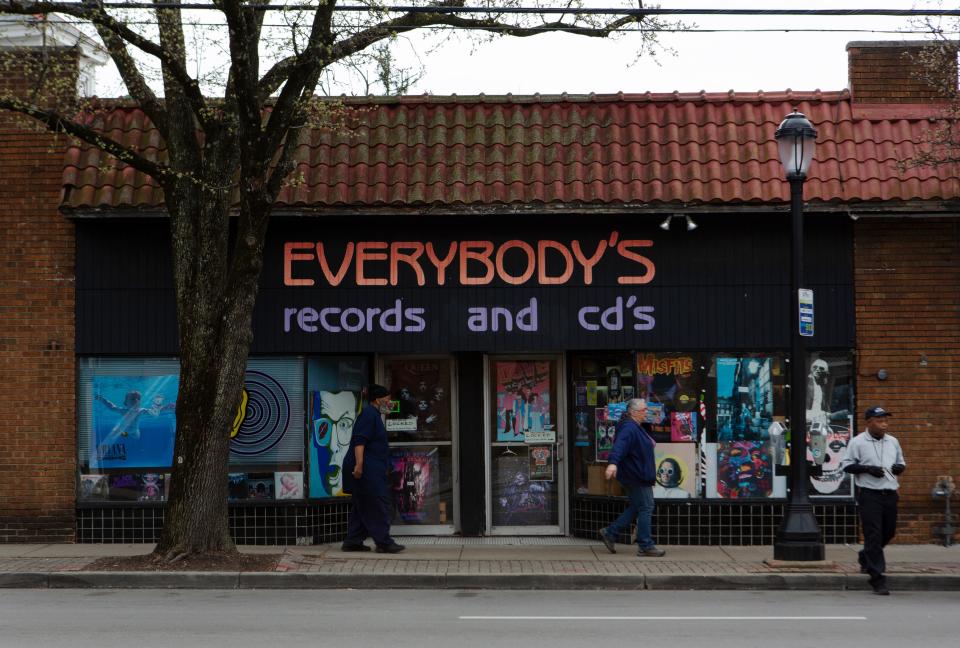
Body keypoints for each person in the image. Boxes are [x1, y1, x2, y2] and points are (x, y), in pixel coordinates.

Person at [840, 406, 906, 595]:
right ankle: (878, 579)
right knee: (873, 535)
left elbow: (901, 461)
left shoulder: (893, 441)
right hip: (870, 494)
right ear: (869, 423)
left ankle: (865, 555)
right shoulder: (858, 442)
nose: (884, 424)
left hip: (890, 493)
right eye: (879, 420)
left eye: (886, 420)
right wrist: (867, 469)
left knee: (889, 531)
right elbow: (847, 465)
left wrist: (899, 468)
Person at [340, 384, 405, 554]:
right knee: (377, 504)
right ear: (378, 400)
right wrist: (359, 465)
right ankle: (384, 543)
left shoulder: (374, 415)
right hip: (365, 470)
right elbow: (359, 441)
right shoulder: (369, 414)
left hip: (370, 469)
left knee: (362, 505)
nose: (390, 403)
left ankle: (353, 541)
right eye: (388, 400)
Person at [599, 399, 666, 557]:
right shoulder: (629, 427)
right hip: (636, 475)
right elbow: (619, 446)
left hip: (636, 474)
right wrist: (613, 464)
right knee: (646, 507)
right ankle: (645, 544)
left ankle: (610, 532)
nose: (646, 413)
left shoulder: (636, 426)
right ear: (634, 412)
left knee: (637, 506)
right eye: (644, 410)